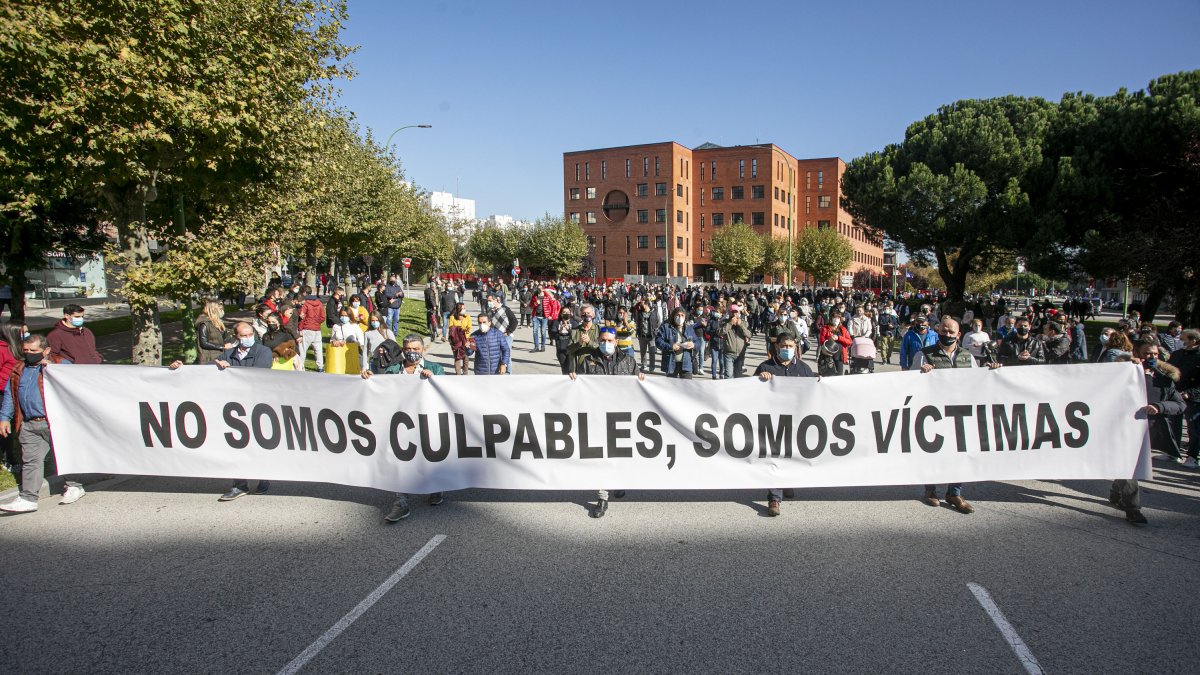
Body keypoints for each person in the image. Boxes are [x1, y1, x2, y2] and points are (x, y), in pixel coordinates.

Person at [169, 322, 272, 500]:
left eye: (250, 335)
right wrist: (180, 369)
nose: (248, 338)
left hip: (256, 405)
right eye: (243, 335)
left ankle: (264, 478)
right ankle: (239, 484)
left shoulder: (263, 352)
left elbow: (258, 375)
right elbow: (203, 372)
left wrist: (231, 371)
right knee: (236, 445)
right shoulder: (228, 354)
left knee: (257, 444)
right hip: (234, 408)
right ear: (236, 337)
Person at [910, 317, 1001, 514]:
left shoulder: (967, 357)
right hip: (933, 413)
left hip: (960, 412)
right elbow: (909, 381)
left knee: (959, 452)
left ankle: (954, 492)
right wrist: (921, 373)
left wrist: (992, 372)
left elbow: (979, 381)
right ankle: (930, 490)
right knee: (932, 453)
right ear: (937, 331)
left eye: (952, 332)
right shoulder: (924, 354)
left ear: (959, 335)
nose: (947, 335)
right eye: (944, 331)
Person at [362, 335, 447, 522]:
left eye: (416, 349)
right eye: (408, 348)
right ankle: (401, 503)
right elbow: (381, 390)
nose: (412, 352)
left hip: (427, 423)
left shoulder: (435, 369)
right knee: (402, 462)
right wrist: (369, 378)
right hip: (401, 425)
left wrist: (435, 380)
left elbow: (446, 391)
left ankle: (435, 488)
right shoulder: (393, 370)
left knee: (428, 460)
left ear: (422, 350)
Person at [0, 334, 83, 513]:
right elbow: (10, 394)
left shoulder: (60, 364)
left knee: (63, 455)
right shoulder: (19, 369)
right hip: (29, 424)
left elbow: (75, 383)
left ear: (45, 351)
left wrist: (53, 369)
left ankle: (75, 485)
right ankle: (28, 498)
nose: (29, 354)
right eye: (26, 350)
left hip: (54, 421)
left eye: (34, 351)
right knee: (30, 461)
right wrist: (4, 417)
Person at [570, 327, 645, 518]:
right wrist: (573, 381)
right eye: (603, 340)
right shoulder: (589, 361)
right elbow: (580, 388)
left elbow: (638, 386)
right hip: (597, 416)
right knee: (600, 457)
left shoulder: (628, 362)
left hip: (620, 416)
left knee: (619, 453)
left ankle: (618, 482)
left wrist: (642, 380)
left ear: (616, 342)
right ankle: (602, 497)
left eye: (610, 340)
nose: (606, 344)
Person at [1109, 339, 1185, 525]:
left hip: (1148, 431)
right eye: (1147, 354)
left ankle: (1116, 492)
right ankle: (1132, 509)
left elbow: (1179, 405)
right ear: (1137, 354)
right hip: (1124, 428)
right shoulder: (1124, 372)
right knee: (1130, 467)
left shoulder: (1165, 378)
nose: (1151, 357)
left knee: (1127, 467)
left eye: (1155, 354)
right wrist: (1128, 367)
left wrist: (1159, 406)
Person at [755, 333, 815, 516]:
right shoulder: (765, 367)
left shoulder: (804, 369)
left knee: (793, 454)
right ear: (777, 346)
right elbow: (749, 392)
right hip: (773, 422)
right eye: (784, 345)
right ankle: (774, 498)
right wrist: (760, 379)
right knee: (776, 457)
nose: (788, 349)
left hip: (797, 420)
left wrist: (818, 381)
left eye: (791, 346)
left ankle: (787, 482)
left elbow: (814, 391)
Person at [1167, 329, 1200, 469]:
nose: (1180, 341)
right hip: (1174, 394)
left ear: (1193, 341)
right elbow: (1168, 369)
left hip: (1193, 398)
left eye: (1183, 339)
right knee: (1173, 424)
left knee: (1194, 429)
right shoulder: (1177, 354)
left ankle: (1192, 457)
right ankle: (1173, 452)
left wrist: (1190, 393)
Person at [654, 307, 699, 379]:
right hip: (671, 364)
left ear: (685, 317)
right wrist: (670, 346)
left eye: (682, 315)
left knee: (686, 388)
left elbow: (697, 342)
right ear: (673, 316)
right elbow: (658, 341)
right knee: (671, 388)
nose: (680, 317)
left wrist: (693, 345)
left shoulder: (689, 328)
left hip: (686, 364)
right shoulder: (666, 328)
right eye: (678, 315)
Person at [195, 299, 235, 365]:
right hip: (209, 358)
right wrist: (223, 346)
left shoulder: (217, 322)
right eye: (220, 309)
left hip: (220, 355)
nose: (222, 311)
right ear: (213, 310)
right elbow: (203, 343)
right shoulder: (204, 324)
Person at [487, 294, 518, 374]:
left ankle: (508, 373)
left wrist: (508, 331)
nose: (488, 303)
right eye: (488, 301)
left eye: (490, 301)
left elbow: (514, 321)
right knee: (497, 356)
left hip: (506, 337)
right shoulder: (490, 311)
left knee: (506, 356)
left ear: (496, 300)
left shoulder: (505, 309)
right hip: (495, 337)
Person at [297, 287, 326, 372]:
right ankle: (320, 367)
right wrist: (317, 323)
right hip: (317, 329)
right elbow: (323, 317)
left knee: (302, 349)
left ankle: (300, 366)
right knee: (318, 349)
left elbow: (302, 317)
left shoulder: (305, 304)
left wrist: (300, 328)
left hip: (307, 328)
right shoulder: (319, 303)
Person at [329, 308, 366, 373]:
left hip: (352, 353)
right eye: (342, 315)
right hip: (340, 353)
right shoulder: (336, 326)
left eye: (346, 316)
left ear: (350, 316)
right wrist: (334, 342)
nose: (343, 317)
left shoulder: (354, 326)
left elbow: (361, 341)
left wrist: (348, 343)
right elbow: (332, 339)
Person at [566, 304, 601, 374]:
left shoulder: (599, 330)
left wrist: (589, 342)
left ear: (593, 315)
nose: (586, 315)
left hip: (596, 367)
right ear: (581, 316)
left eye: (588, 313)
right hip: (579, 368)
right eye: (583, 314)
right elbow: (568, 350)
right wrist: (579, 344)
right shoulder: (575, 331)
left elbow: (602, 350)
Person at [718, 309, 750, 379]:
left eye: (737, 313)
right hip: (729, 353)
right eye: (733, 313)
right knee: (728, 375)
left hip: (740, 353)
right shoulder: (725, 322)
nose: (735, 315)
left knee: (738, 376)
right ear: (730, 313)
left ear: (739, 314)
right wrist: (730, 323)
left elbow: (749, 334)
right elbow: (719, 332)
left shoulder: (744, 323)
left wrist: (741, 325)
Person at [529, 287, 560, 353]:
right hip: (536, 316)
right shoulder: (535, 296)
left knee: (543, 332)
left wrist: (551, 315)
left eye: (541, 288)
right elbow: (531, 306)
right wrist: (535, 303)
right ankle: (536, 347)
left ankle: (543, 346)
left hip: (544, 317)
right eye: (538, 288)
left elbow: (553, 306)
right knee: (535, 332)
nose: (539, 289)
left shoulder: (547, 297)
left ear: (543, 289)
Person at [446, 302, 473, 375]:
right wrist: (460, 329)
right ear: (458, 309)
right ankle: (458, 374)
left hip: (466, 339)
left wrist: (465, 330)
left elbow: (470, 327)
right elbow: (451, 328)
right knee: (457, 358)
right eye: (463, 308)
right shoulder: (452, 317)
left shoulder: (467, 316)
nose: (464, 309)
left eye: (465, 308)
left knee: (466, 358)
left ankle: (465, 373)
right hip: (457, 340)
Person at [551, 307, 578, 375]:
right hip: (561, 349)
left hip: (571, 349)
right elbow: (553, 336)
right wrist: (559, 332)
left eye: (568, 312)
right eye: (564, 312)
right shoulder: (556, 322)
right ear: (560, 314)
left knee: (572, 369)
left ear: (570, 313)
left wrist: (569, 329)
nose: (566, 314)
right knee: (564, 369)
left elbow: (577, 335)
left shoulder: (574, 323)